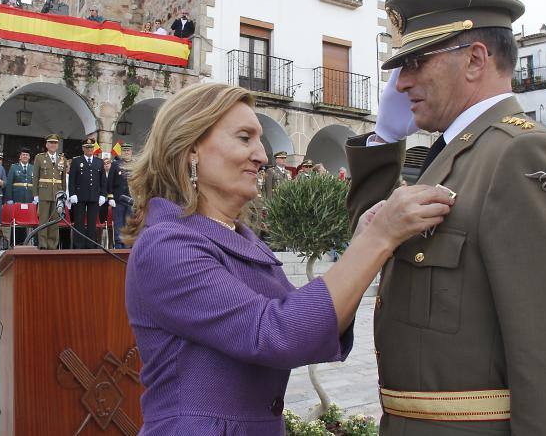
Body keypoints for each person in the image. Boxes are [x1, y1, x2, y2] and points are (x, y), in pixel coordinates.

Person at [345, 0, 546, 435]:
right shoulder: (454, 154)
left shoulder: (520, 155)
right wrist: (383, 138)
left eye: (416, 63)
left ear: (475, 59)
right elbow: (367, 239)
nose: (401, 84)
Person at [123, 82, 452, 434]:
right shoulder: (167, 245)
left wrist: (361, 240)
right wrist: (378, 238)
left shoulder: (238, 239)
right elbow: (274, 333)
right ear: (190, 149)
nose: (262, 156)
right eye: (244, 137)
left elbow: (301, 318)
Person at [67, 137, 107, 248]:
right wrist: (72, 194)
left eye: (91, 147)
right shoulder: (76, 161)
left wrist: (103, 195)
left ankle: (91, 245)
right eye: (87, 147)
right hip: (79, 196)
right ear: (83, 148)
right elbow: (72, 180)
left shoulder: (99, 162)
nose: (89, 149)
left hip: (94, 196)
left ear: (93, 148)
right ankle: (78, 245)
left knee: (92, 223)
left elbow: (103, 180)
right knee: (79, 222)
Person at [32, 134, 66, 249]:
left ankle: (52, 245)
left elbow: (63, 179)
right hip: (44, 193)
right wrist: (35, 194)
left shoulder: (62, 159)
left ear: (57, 145)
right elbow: (35, 177)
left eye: (55, 143)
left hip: (57, 193)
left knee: (55, 221)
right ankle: (43, 244)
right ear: (46, 144)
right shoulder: (40, 157)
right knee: (43, 220)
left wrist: (63, 194)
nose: (53, 145)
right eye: (51, 142)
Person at [4, 147, 35, 244]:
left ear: (29, 157)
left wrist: (35, 197)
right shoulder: (14, 167)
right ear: (20, 157)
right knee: (17, 221)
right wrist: (9, 198)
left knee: (28, 220)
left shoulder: (32, 168)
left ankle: (27, 242)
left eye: (27, 155)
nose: (25, 156)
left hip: (29, 197)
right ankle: (15, 242)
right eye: (23, 155)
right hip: (17, 197)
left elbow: (35, 183)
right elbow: (9, 183)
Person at [112, 142, 132, 249]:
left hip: (131, 199)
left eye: (128, 150)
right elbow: (110, 181)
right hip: (119, 198)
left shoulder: (134, 164)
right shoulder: (116, 164)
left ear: (131, 152)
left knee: (129, 222)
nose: (126, 152)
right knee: (119, 221)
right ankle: (119, 243)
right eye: (124, 150)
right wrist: (110, 196)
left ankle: (128, 242)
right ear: (121, 152)